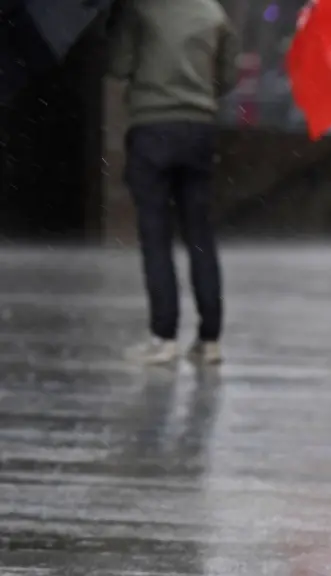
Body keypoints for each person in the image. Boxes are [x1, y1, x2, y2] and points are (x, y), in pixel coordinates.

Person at [108, 0, 239, 364]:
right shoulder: (214, 13)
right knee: (200, 235)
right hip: (198, 129)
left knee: (156, 235)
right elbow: (227, 77)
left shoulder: (142, 9)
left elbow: (118, 66)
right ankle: (209, 339)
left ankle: (163, 336)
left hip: (152, 127)